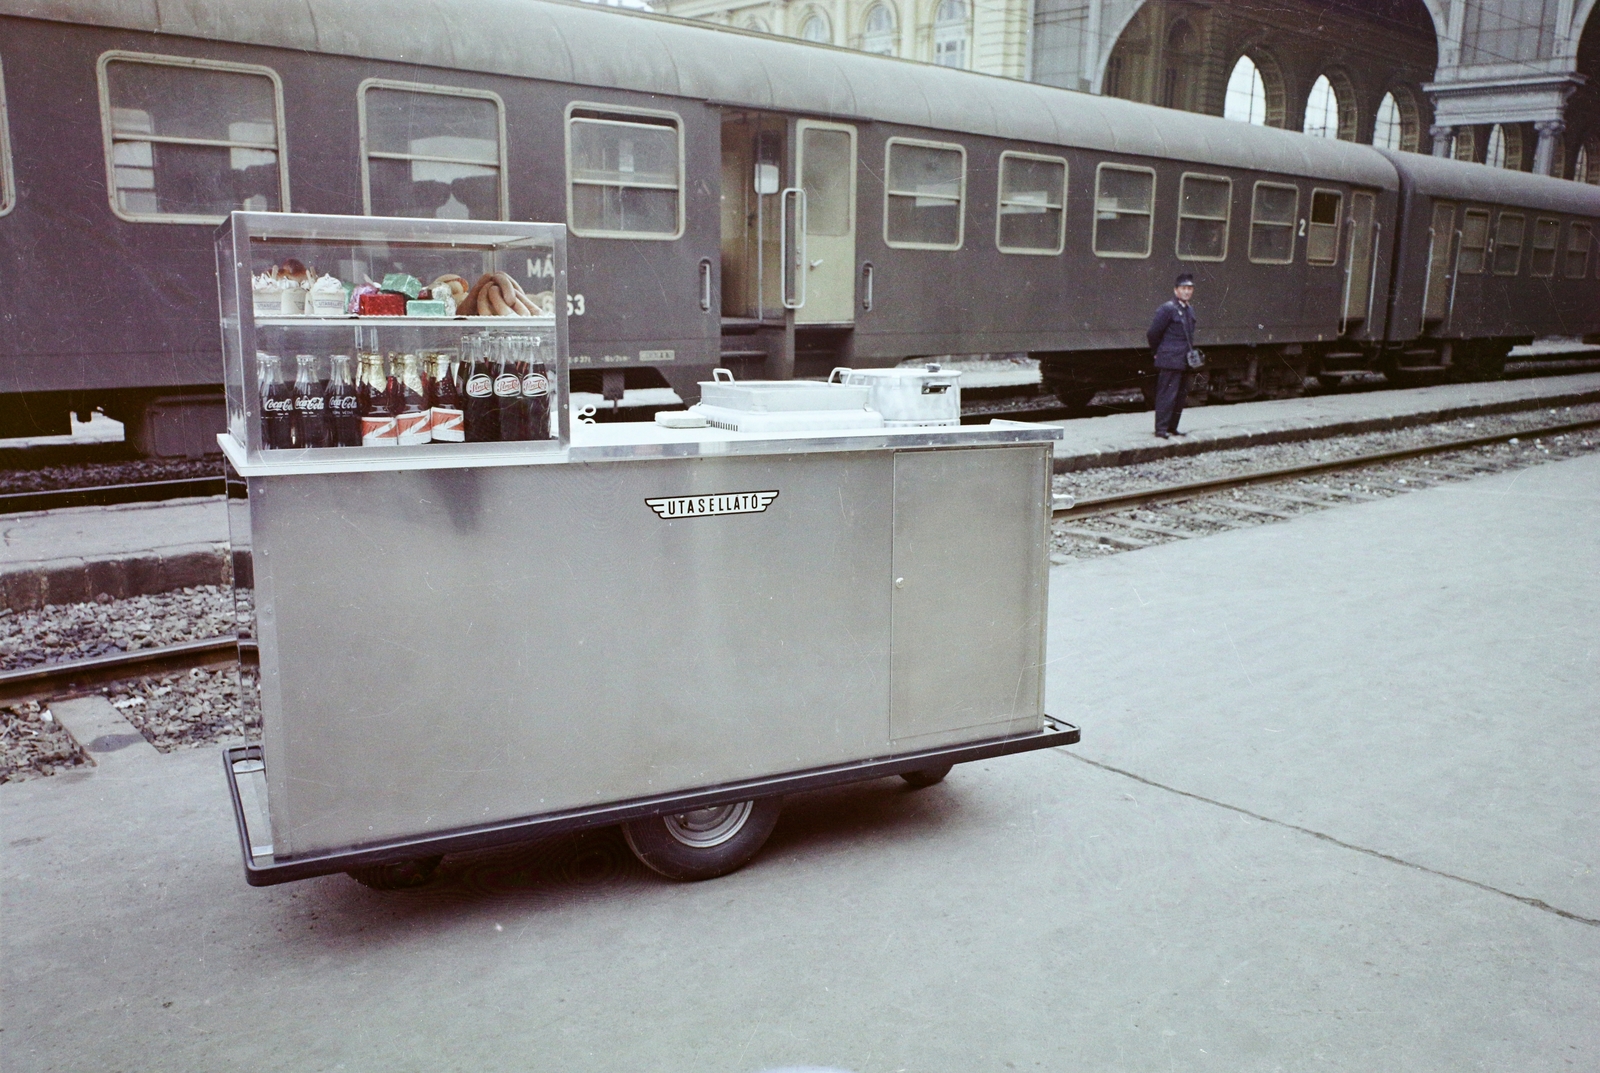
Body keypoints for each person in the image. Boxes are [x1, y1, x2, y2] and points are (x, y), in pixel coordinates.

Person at [1146, 273, 1198, 439]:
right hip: (1169, 359)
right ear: (1176, 290)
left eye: (1189, 288)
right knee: (1166, 396)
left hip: (1183, 360)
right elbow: (1153, 333)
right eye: (1183, 288)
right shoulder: (1167, 308)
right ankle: (1161, 429)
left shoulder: (1189, 309)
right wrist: (1157, 352)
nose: (1187, 291)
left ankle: (1172, 427)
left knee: (1180, 396)